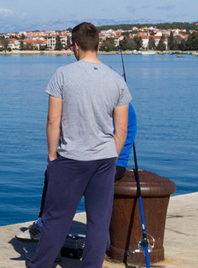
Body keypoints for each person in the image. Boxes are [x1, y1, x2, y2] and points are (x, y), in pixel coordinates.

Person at [8, 22, 131, 268]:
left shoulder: (62, 75)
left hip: (70, 158)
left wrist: (53, 155)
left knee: (56, 220)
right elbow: (121, 128)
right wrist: (110, 152)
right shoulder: (116, 80)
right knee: (99, 222)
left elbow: (54, 120)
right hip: (104, 159)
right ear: (97, 44)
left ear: (74, 45)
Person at [19, 103, 135, 242]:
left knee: (56, 173)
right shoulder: (119, 102)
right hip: (110, 163)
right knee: (56, 173)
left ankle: (46, 227)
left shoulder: (112, 104)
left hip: (105, 163)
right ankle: (45, 224)